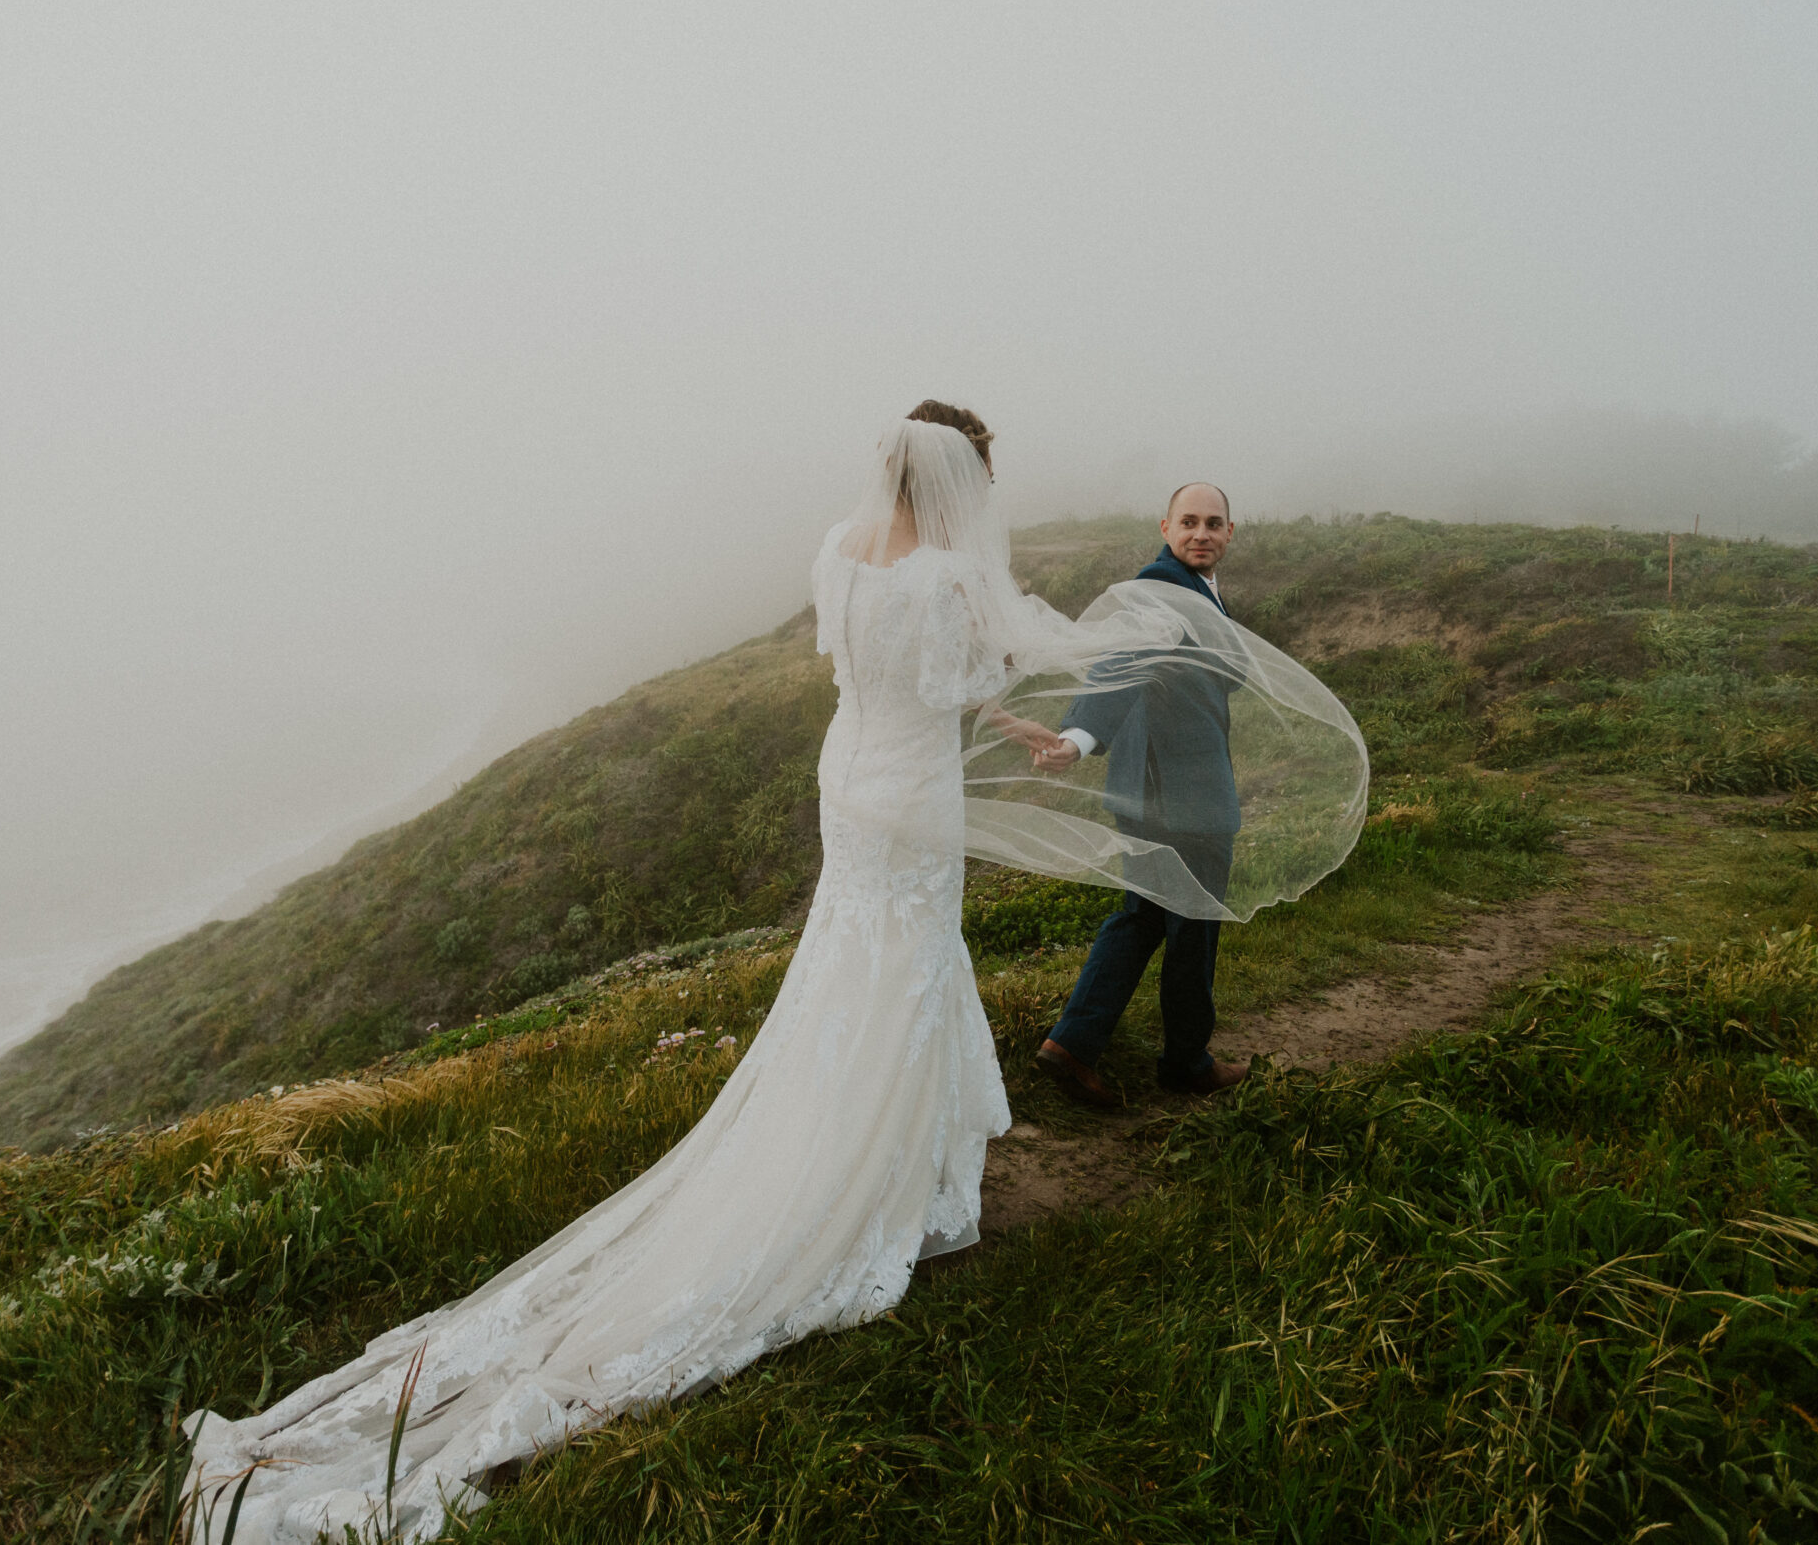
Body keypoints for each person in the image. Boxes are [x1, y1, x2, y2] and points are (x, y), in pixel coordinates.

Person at [178, 410, 1356, 1542]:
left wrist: (1006, 715)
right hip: (908, 799)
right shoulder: (949, 580)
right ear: (952, 482)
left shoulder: (838, 552)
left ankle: (877, 1134)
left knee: (860, 966)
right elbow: (957, 682)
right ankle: (876, 1170)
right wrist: (1034, 659)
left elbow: (867, 675)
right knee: (901, 966)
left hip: (849, 781)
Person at [1030, 483, 1247, 1109]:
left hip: (1148, 789)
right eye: (1189, 522)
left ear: (1232, 532)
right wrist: (1077, 738)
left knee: (1143, 916)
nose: (1200, 533)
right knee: (1195, 922)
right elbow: (1118, 667)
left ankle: (1072, 1044)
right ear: (1165, 528)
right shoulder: (1165, 589)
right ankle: (1187, 1063)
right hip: (1182, 796)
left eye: (1213, 523)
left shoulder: (1197, 591)